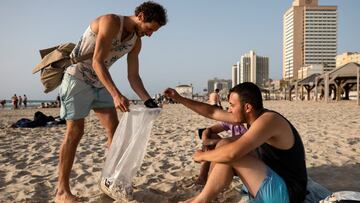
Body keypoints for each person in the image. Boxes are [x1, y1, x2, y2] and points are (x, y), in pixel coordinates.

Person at [55, 2, 167, 203]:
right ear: (140, 16)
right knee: (75, 132)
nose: (150, 35)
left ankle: (110, 181)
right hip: (77, 79)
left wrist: (149, 101)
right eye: (150, 29)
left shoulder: (136, 42)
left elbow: (133, 76)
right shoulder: (110, 21)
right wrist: (116, 94)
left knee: (115, 134)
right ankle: (62, 191)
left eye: (154, 32)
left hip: (100, 82)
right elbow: (97, 61)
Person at [164, 82, 308, 203]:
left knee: (229, 152)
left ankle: (201, 200)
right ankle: (205, 197)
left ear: (247, 107)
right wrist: (179, 98)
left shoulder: (269, 120)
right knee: (224, 145)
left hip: (288, 195)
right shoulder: (252, 117)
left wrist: (202, 156)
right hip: (272, 185)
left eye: (232, 105)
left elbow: (232, 153)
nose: (229, 110)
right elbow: (212, 112)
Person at [195, 121, 247, 186]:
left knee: (222, 144)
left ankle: (210, 184)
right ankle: (202, 177)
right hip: (235, 153)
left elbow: (243, 140)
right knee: (212, 136)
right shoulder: (233, 120)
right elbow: (208, 130)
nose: (229, 110)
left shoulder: (249, 124)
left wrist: (213, 142)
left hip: (249, 157)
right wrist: (206, 141)